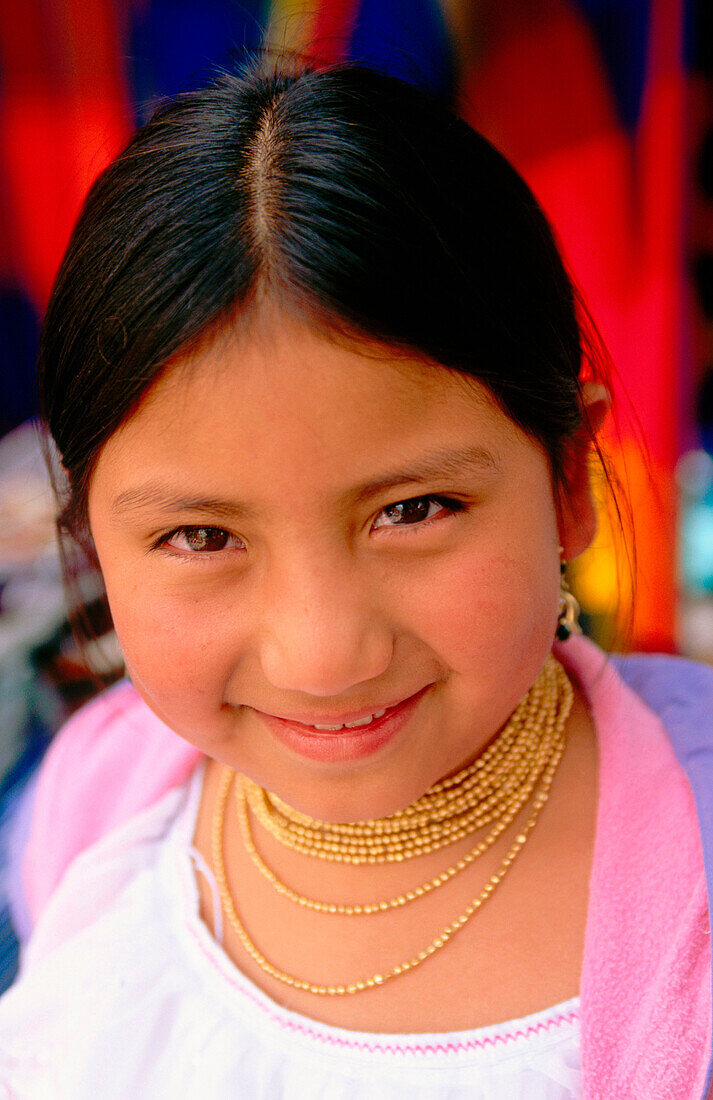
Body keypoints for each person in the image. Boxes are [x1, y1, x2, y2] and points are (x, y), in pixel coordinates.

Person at [0, 60, 711, 1100]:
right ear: (89, 531)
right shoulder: (94, 805)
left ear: (565, 478)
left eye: (410, 510)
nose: (323, 652)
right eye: (200, 535)